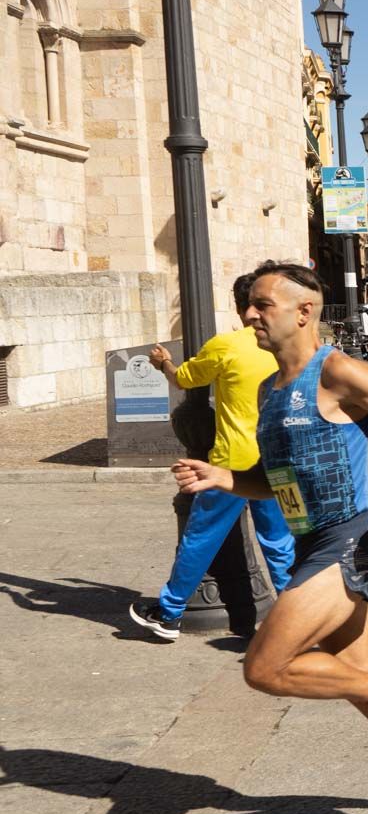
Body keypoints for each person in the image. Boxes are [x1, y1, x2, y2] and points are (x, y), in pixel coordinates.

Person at [170, 261, 368, 814]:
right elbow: (277, 476)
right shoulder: (268, 388)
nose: (250, 314)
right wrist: (224, 478)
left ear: (304, 312)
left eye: (264, 305)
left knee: (264, 667)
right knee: (348, 677)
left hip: (348, 539)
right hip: (309, 541)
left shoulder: (335, 370)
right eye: (249, 305)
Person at [128, 274, 295, 641]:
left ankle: (169, 613)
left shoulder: (227, 345)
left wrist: (163, 363)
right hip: (278, 458)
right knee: (280, 544)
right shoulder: (286, 344)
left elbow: (184, 380)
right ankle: (297, 619)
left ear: (240, 307)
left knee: (200, 537)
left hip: (232, 462)